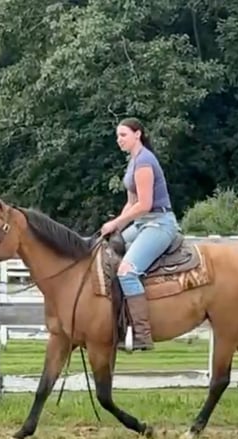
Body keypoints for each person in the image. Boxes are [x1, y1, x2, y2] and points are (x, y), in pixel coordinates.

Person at [100, 117, 180, 351]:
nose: (119, 140)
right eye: (118, 136)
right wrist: (116, 227)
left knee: (126, 272)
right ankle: (117, 320)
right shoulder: (134, 161)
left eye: (123, 135)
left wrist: (116, 222)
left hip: (159, 224)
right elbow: (131, 204)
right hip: (143, 224)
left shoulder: (145, 161)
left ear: (138, 134)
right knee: (108, 251)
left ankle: (142, 334)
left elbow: (145, 204)